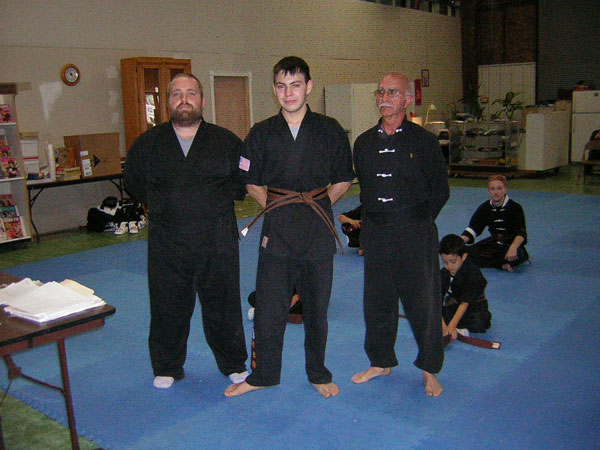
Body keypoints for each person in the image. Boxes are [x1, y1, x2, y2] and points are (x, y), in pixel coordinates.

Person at [225, 56, 354, 398]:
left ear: (308, 87)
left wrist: (318, 206)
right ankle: (263, 374)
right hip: (277, 230)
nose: (289, 93)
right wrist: (278, 208)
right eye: (281, 86)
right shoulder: (262, 132)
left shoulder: (330, 129)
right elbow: (250, 180)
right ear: (274, 90)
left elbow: (344, 178)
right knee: (268, 308)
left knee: (317, 310)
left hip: (317, 231)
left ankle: (318, 372)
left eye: (295, 85)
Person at [124, 73, 248, 389]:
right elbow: (134, 183)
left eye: (190, 93)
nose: (184, 99)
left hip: (216, 238)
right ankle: (167, 366)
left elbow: (241, 184)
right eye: (176, 93)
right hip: (168, 240)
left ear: (202, 101)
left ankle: (233, 363)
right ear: (167, 102)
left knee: (223, 304)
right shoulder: (148, 144)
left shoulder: (226, 142)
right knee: (167, 304)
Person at [351, 72, 449, 397]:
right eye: (380, 91)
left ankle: (429, 368)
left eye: (393, 92)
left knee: (423, 304)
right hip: (377, 234)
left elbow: (441, 190)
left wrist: (417, 223)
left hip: (415, 233)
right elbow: (366, 192)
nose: (385, 97)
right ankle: (380, 361)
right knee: (377, 301)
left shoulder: (424, 142)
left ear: (407, 100)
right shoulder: (364, 143)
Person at [461, 174, 528, 272]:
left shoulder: (515, 208)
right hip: (494, 243)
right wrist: (458, 243)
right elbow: (473, 229)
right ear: (488, 191)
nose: (496, 192)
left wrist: (513, 247)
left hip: (511, 244)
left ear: (505, 190)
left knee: (515, 255)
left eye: (499, 188)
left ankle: (501, 262)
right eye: (492, 189)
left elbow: (521, 233)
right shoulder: (485, 208)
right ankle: (501, 265)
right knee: (463, 254)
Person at [439, 234, 491, 341]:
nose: (449, 266)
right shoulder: (443, 274)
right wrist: (443, 327)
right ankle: (453, 326)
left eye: (453, 262)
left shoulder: (472, 273)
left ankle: (460, 329)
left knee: (479, 321)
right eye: (445, 262)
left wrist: (451, 326)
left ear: (463, 256)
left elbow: (465, 303)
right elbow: (436, 301)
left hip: (474, 307)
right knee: (431, 314)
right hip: (455, 305)